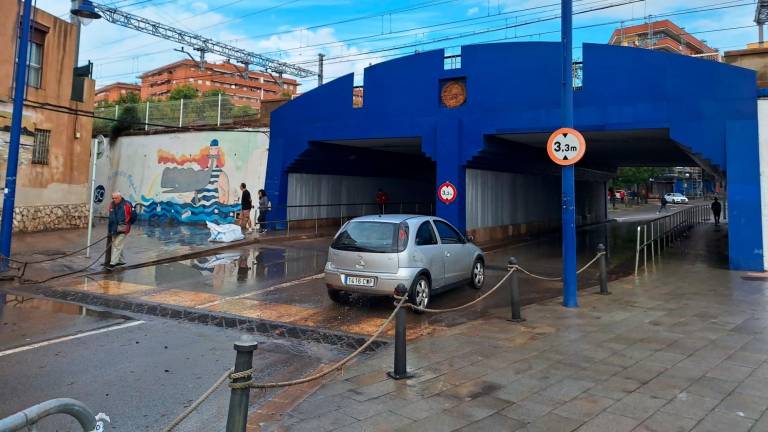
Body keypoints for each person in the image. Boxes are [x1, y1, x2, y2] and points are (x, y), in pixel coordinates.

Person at [107, 192, 134, 269]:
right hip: (114, 228)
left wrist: (127, 224)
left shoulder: (127, 205)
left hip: (123, 228)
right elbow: (110, 218)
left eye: (116, 198)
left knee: (117, 244)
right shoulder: (111, 205)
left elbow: (133, 216)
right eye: (113, 198)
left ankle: (112, 263)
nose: (114, 200)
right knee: (117, 245)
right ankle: (121, 260)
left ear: (120, 197)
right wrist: (110, 230)